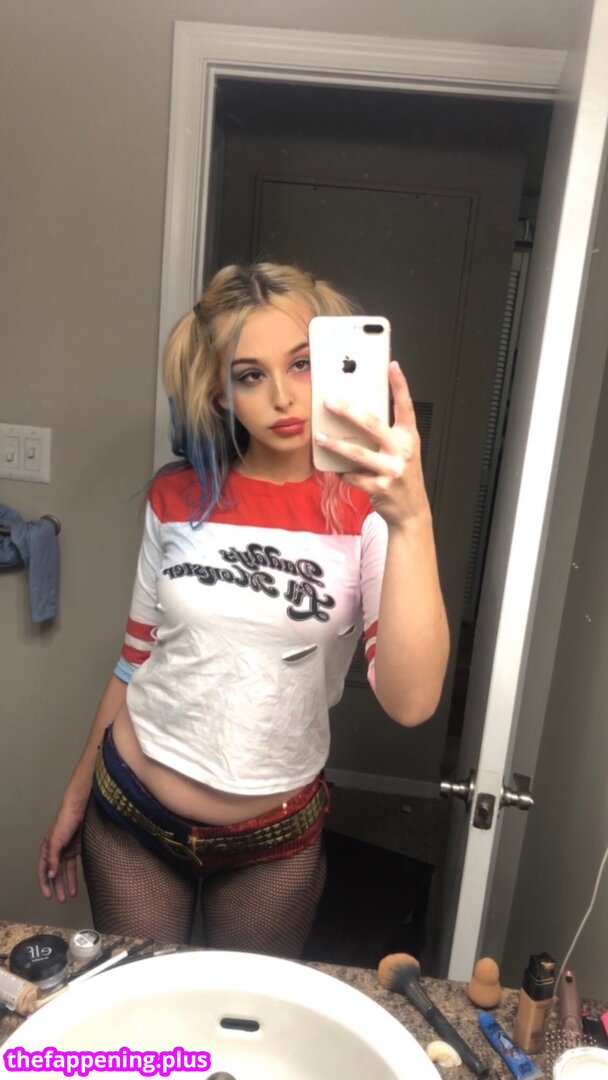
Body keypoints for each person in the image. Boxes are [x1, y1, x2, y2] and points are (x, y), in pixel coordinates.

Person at [37, 261, 449, 957]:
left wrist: (412, 519)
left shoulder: (369, 511)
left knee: (244, 1013)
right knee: (146, 1011)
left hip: (273, 841)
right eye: (251, 375)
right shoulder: (175, 499)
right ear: (220, 393)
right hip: (133, 812)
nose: (283, 397)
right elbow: (135, 658)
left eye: (301, 364)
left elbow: (411, 703)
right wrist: (75, 797)